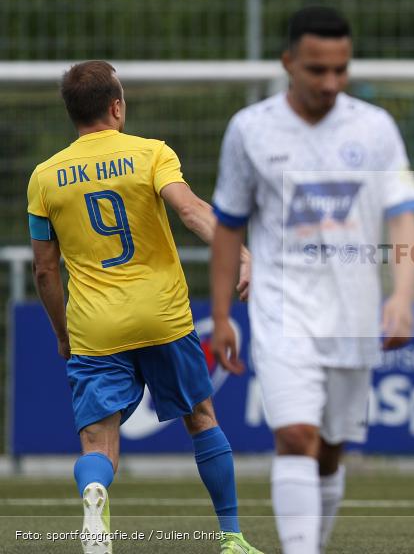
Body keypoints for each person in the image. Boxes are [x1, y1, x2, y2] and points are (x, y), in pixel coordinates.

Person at [208, 6, 414, 554]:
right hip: (283, 307)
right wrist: (223, 314)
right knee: (295, 436)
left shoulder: (374, 127)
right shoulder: (249, 130)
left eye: (341, 70)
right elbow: (229, 226)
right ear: (288, 63)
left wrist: (401, 295)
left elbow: (402, 216)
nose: (330, 83)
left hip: (352, 312)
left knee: (329, 449)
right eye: (317, 70)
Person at [26, 60, 261, 554]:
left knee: (98, 441)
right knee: (201, 416)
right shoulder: (151, 154)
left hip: (94, 325)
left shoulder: (44, 178)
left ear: (73, 114)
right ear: (116, 107)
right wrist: (240, 254)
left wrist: (62, 334)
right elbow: (192, 210)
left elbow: (45, 270)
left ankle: (94, 495)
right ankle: (233, 538)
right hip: (164, 316)